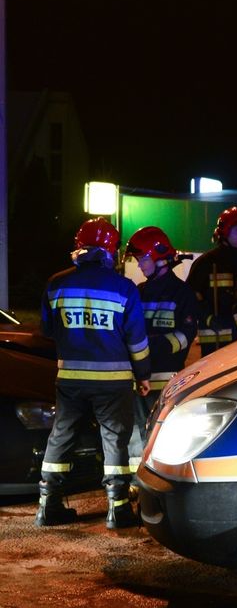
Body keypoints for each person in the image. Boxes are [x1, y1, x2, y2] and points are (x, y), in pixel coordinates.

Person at [38, 218, 151, 529]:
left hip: (70, 380)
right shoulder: (124, 288)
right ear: (110, 251)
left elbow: (47, 330)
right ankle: (118, 509)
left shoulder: (56, 283)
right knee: (115, 440)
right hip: (113, 383)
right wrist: (143, 374)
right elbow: (137, 341)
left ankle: (48, 505)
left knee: (61, 436)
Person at [123, 226, 199, 473]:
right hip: (139, 378)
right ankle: (137, 484)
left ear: (161, 259)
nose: (140, 265)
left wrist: (146, 347)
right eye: (137, 259)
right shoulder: (139, 292)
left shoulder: (182, 292)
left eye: (143, 259)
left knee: (162, 436)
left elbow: (184, 337)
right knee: (136, 434)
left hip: (166, 380)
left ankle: (160, 481)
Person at [187, 206, 237, 355]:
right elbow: (190, 296)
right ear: (225, 232)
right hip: (213, 341)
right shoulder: (206, 263)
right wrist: (208, 319)